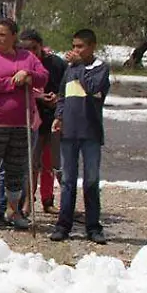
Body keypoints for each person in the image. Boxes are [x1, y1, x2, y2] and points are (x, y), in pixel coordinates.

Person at [0, 19, 47, 231]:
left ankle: (14, 211)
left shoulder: (28, 57)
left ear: (14, 36)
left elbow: (43, 77)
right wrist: (11, 82)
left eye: (2, 35)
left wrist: (28, 75)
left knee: (16, 169)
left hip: (21, 123)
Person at [49, 28, 111, 243]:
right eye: (73, 46)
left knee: (91, 180)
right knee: (67, 180)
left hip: (91, 132)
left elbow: (93, 87)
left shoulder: (100, 69)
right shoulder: (70, 69)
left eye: (80, 47)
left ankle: (93, 226)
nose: (75, 50)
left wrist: (81, 66)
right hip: (69, 132)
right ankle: (63, 225)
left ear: (92, 46)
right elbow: (63, 95)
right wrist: (59, 116)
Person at [20, 29, 67, 214]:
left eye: (34, 48)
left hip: (54, 118)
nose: (32, 52)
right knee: (32, 164)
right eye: (27, 48)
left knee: (51, 163)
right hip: (31, 119)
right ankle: (27, 202)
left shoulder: (56, 63)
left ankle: (48, 201)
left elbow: (67, 85)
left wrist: (58, 98)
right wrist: (38, 98)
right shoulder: (21, 62)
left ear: (41, 46)